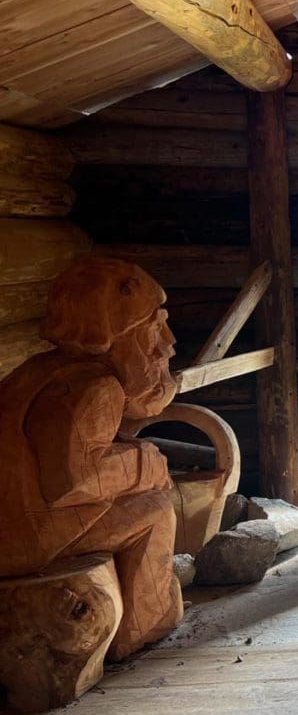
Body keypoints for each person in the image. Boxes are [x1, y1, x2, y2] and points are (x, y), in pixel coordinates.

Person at [0, 256, 183, 660]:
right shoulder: (95, 387)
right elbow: (74, 482)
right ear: (117, 334)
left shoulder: (39, 369)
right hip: (22, 542)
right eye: (154, 329)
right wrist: (145, 464)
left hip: (15, 525)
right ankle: (144, 626)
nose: (167, 343)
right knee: (154, 508)